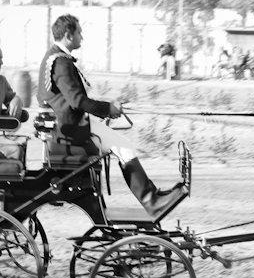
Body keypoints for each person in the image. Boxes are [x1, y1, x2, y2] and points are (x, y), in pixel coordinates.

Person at [38, 14, 186, 219]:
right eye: (79, 33)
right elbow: (77, 101)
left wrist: (107, 109)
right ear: (68, 35)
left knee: (124, 146)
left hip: (69, 124)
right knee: (125, 148)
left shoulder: (54, 57)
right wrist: (109, 109)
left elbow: (74, 101)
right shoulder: (61, 62)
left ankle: (152, 196)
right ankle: (152, 201)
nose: (82, 37)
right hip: (71, 129)